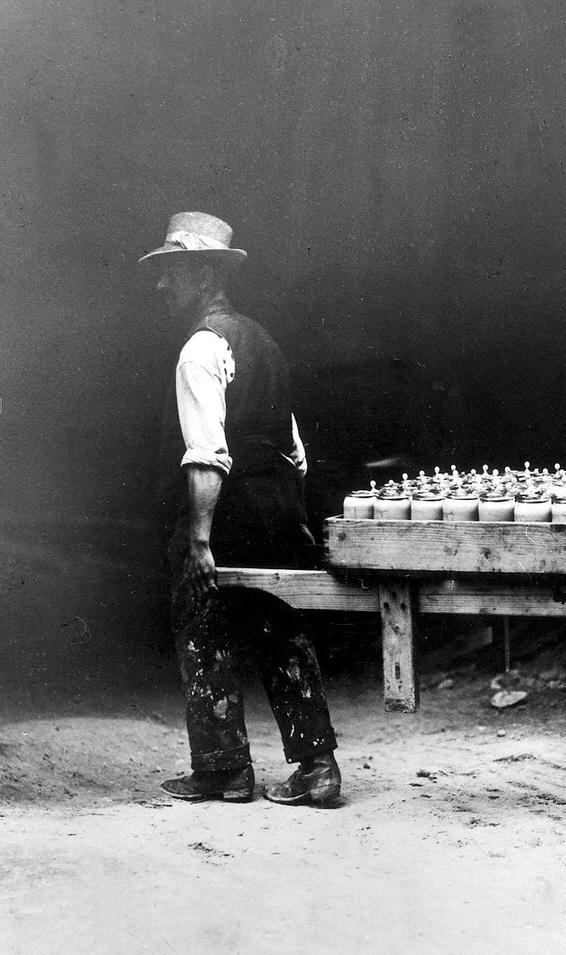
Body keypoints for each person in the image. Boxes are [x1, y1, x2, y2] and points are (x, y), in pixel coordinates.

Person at [143, 211, 343, 806]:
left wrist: (201, 538)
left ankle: (223, 770)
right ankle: (317, 768)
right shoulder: (264, 341)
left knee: (203, 625)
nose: (161, 286)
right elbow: (296, 451)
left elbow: (206, 453)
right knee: (280, 627)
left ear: (204, 273)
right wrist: (293, 517)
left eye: (172, 273)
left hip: (225, 513)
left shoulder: (200, 348)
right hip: (275, 510)